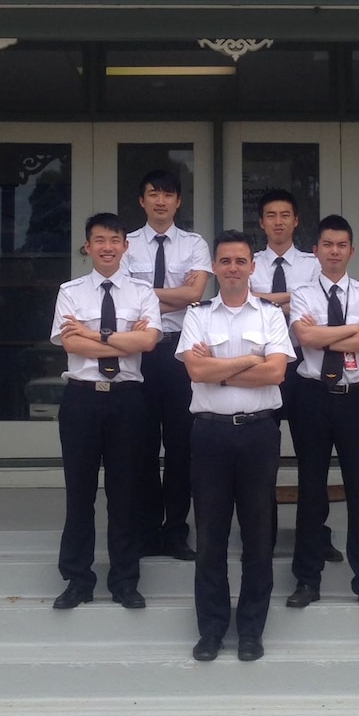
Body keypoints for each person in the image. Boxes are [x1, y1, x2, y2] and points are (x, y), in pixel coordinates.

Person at [176, 230, 294, 663]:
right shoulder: (198, 314)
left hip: (258, 434)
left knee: (258, 536)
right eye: (224, 261)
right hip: (209, 434)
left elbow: (276, 374)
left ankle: (250, 631)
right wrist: (250, 359)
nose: (232, 268)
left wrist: (218, 369)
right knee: (210, 536)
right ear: (216, 269)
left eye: (240, 261)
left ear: (252, 266)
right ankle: (210, 630)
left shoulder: (270, 315)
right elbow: (194, 370)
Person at [50, 212, 162, 611]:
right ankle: (78, 579)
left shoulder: (143, 293)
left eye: (115, 239)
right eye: (100, 240)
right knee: (79, 492)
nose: (108, 247)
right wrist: (122, 341)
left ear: (125, 246)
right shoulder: (71, 291)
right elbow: (71, 346)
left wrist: (94, 335)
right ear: (88, 246)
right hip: (82, 399)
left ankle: (125, 581)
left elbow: (148, 343)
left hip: (127, 401)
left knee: (125, 493)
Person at [287, 214, 359, 611]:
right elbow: (305, 337)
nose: (333, 252)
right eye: (327, 244)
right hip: (311, 397)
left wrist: (333, 332)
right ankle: (307, 579)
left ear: (351, 251)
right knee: (311, 489)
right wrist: (351, 330)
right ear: (316, 251)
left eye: (341, 245)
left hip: (354, 399)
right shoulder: (302, 293)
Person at [250, 188, 342, 563]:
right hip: (260, 367)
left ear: (296, 221)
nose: (278, 222)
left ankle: (315, 535)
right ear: (261, 222)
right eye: (270, 215)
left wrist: (265, 300)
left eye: (285, 215)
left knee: (312, 459)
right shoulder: (249, 263)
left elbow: (321, 305)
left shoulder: (312, 262)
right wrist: (293, 298)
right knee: (261, 457)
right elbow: (244, 301)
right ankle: (262, 535)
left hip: (305, 367)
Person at [125, 169, 212, 561]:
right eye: (152, 193)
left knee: (181, 446)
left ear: (179, 202)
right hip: (139, 352)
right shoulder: (124, 245)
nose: (160, 201)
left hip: (179, 352)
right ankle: (145, 530)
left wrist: (144, 296)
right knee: (141, 444)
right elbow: (127, 304)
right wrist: (172, 297)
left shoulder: (194, 245)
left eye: (168, 195)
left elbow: (196, 294)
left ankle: (176, 531)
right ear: (141, 201)